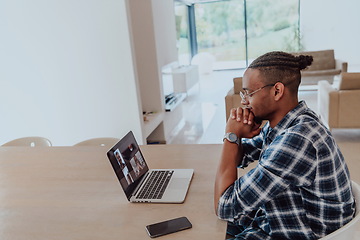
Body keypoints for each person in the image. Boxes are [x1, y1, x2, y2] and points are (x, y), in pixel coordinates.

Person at [214, 51, 355, 240]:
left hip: (300, 231)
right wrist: (237, 136)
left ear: (277, 91)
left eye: (248, 93)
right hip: (282, 217)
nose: (243, 101)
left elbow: (225, 206)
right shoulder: (290, 121)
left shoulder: (297, 139)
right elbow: (241, 156)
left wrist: (231, 135)